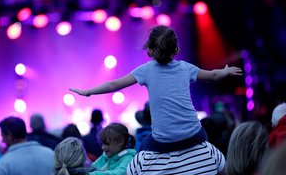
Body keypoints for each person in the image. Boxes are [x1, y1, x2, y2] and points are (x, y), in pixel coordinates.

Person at [70, 25, 242, 154]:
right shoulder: (185, 68)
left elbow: (114, 84)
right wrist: (226, 71)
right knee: (208, 146)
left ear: (150, 50)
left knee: (141, 149)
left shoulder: (146, 70)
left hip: (164, 139)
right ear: (176, 49)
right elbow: (213, 76)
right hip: (193, 133)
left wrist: (89, 91)